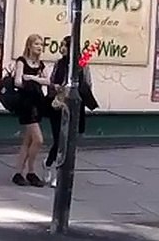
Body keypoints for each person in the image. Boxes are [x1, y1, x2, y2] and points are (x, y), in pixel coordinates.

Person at [45, 35, 99, 186]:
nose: (62, 48)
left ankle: (59, 174)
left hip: (74, 106)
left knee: (68, 141)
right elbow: (52, 82)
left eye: (65, 46)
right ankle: (48, 163)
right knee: (59, 140)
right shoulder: (59, 63)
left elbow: (87, 83)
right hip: (58, 105)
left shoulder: (81, 64)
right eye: (61, 45)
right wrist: (56, 88)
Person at [11, 33, 50, 187]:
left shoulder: (40, 64)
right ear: (29, 45)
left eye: (41, 44)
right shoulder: (22, 61)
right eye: (36, 44)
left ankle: (18, 173)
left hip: (37, 103)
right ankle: (31, 171)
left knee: (28, 141)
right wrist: (29, 81)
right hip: (26, 104)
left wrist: (33, 78)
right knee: (38, 140)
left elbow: (48, 81)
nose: (39, 47)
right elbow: (18, 81)